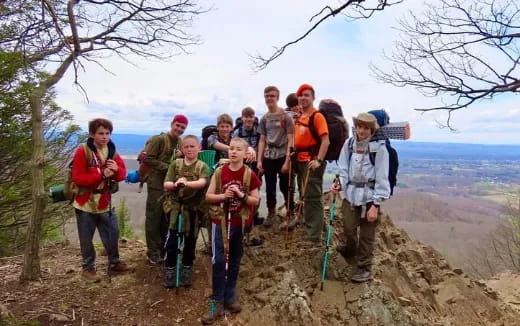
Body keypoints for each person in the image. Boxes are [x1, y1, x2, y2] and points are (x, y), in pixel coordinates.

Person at [201, 137, 261, 325]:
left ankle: (230, 296)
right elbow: (209, 196)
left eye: (238, 149)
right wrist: (223, 195)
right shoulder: (220, 172)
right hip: (220, 222)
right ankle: (216, 301)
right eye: (231, 149)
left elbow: (255, 200)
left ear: (245, 153)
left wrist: (241, 195)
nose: (233, 152)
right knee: (219, 260)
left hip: (238, 223)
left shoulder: (248, 174)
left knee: (234, 260)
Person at [331, 112, 390, 282]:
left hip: (370, 197)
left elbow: (382, 176)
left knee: (366, 235)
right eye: (359, 126)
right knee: (348, 227)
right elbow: (343, 168)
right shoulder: (349, 144)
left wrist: (376, 204)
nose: (361, 131)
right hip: (350, 194)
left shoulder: (379, 148)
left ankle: (364, 267)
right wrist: (339, 183)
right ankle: (350, 249)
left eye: (365, 128)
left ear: (372, 130)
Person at [71, 118, 131, 282]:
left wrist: (116, 170)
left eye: (107, 133)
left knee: (112, 233)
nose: (105, 137)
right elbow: (78, 177)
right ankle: (88, 268)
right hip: (85, 202)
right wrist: (101, 174)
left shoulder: (111, 151)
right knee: (86, 238)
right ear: (92, 134)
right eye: (101, 133)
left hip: (104, 200)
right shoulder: (82, 151)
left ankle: (114, 262)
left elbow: (122, 174)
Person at [162, 135, 209, 288]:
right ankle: (170, 269)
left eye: (192, 146)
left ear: (199, 148)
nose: (189, 149)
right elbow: (166, 183)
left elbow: (203, 183)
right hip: (175, 208)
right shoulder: (176, 164)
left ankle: (187, 268)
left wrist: (186, 183)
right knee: (173, 241)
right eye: (186, 147)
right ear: (182, 149)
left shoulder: (202, 166)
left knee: (190, 241)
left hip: (193, 210)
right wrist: (176, 184)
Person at [143, 114, 188, 264]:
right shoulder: (159, 139)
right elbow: (147, 158)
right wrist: (168, 168)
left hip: (170, 186)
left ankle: (162, 248)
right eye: (178, 125)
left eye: (182, 127)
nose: (179, 129)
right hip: (156, 184)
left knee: (165, 218)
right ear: (172, 124)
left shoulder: (179, 142)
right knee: (153, 218)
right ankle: (152, 252)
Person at [291, 84, 330, 242]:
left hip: (311, 161)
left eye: (306, 95)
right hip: (300, 161)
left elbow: (325, 141)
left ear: (313, 98)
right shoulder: (300, 117)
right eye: (301, 95)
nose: (303, 98)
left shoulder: (317, 116)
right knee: (305, 194)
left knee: (313, 197)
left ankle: (314, 236)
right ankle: (315, 226)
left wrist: (318, 160)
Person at [257, 86, 294, 227]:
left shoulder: (285, 117)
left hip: (283, 154)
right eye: (267, 96)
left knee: (286, 186)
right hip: (269, 156)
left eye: (272, 96)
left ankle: (290, 213)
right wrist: (259, 160)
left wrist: (288, 160)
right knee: (270, 186)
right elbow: (262, 140)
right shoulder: (265, 118)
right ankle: (271, 213)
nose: (269, 98)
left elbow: (291, 139)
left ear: (277, 97)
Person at [232, 107, 263, 247]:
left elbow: (263, 144)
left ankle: (250, 226)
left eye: (251, 116)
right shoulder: (237, 132)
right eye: (246, 116)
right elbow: (235, 149)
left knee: (254, 198)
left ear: (254, 117)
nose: (249, 119)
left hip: (255, 169)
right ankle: (246, 234)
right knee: (244, 200)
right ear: (242, 117)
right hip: (242, 170)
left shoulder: (258, 130)